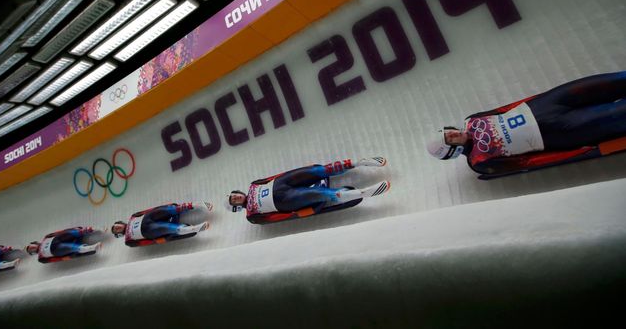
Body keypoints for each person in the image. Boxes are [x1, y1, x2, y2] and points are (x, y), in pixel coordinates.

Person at [426, 71, 626, 175]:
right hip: (562, 130)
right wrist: (583, 151)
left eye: (447, 132)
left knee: (615, 81)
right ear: (453, 151)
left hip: (548, 104)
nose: (452, 134)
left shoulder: (471, 120)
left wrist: (543, 97)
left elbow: (506, 108)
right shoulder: (480, 162)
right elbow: (530, 162)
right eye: (449, 140)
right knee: (618, 113)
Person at [228, 157, 390, 224]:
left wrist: (302, 169)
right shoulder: (251, 216)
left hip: (282, 182)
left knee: (319, 171)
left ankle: (358, 162)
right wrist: (302, 213)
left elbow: (273, 177)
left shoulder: (253, 185)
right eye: (233, 200)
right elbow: (276, 218)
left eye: (234, 195)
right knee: (322, 195)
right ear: (236, 207)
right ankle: (364, 193)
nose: (236, 197)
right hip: (285, 201)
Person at [111, 201, 212, 247]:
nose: (118, 227)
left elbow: (148, 211)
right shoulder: (128, 241)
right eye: (116, 229)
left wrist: (165, 205)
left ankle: (198, 205)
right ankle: (194, 228)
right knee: (167, 228)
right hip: (147, 231)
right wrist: (161, 240)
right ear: (118, 234)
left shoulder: (132, 217)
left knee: (169, 210)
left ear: (120, 223)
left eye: (116, 226)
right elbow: (145, 243)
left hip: (148, 217)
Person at [26, 226, 101, 263]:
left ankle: (89, 230)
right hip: (55, 250)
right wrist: (68, 257)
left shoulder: (46, 237)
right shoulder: (41, 258)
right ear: (33, 253)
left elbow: (59, 232)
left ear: (34, 243)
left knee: (67, 234)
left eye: (31, 247)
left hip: (58, 239)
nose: (32, 249)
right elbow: (54, 259)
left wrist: (71, 229)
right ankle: (90, 248)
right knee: (69, 247)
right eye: (31, 250)